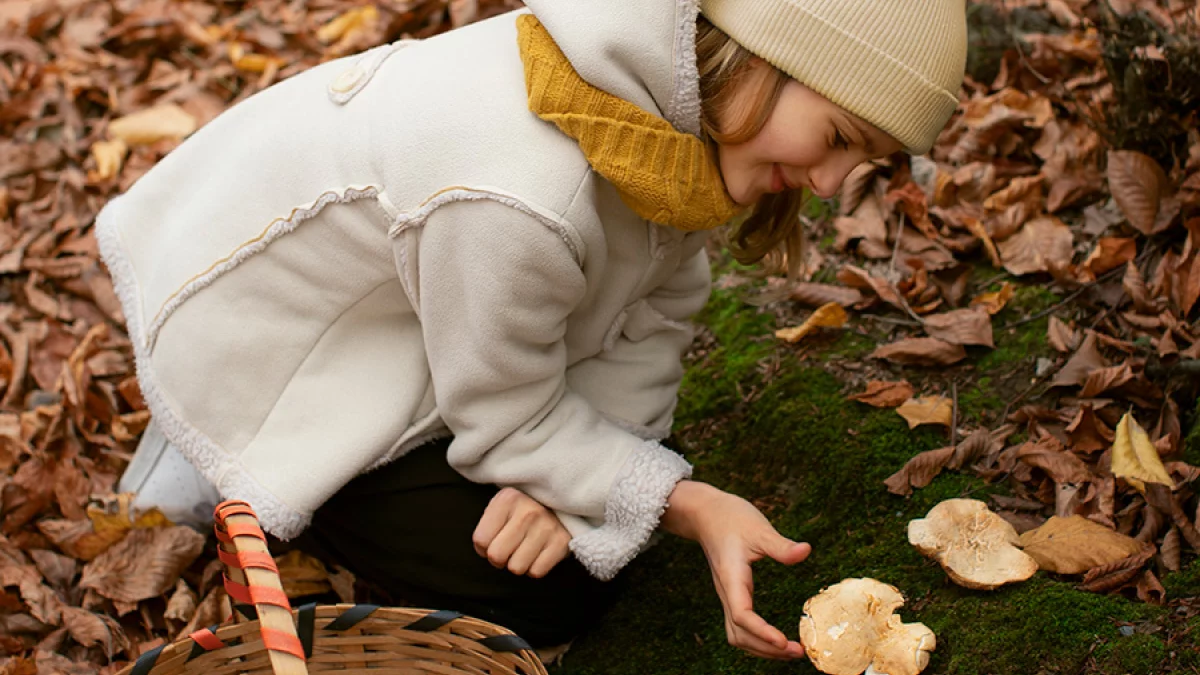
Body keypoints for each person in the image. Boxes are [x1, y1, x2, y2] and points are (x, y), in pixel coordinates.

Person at [98, 0, 967, 662]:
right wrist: (691, 505)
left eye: (865, 163)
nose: (828, 184)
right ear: (769, 56)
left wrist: (584, 478)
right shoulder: (516, 189)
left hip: (428, 317)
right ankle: (224, 453)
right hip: (270, 340)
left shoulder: (668, 124)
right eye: (841, 137)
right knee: (549, 594)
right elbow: (506, 417)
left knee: (586, 516)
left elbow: (659, 313)